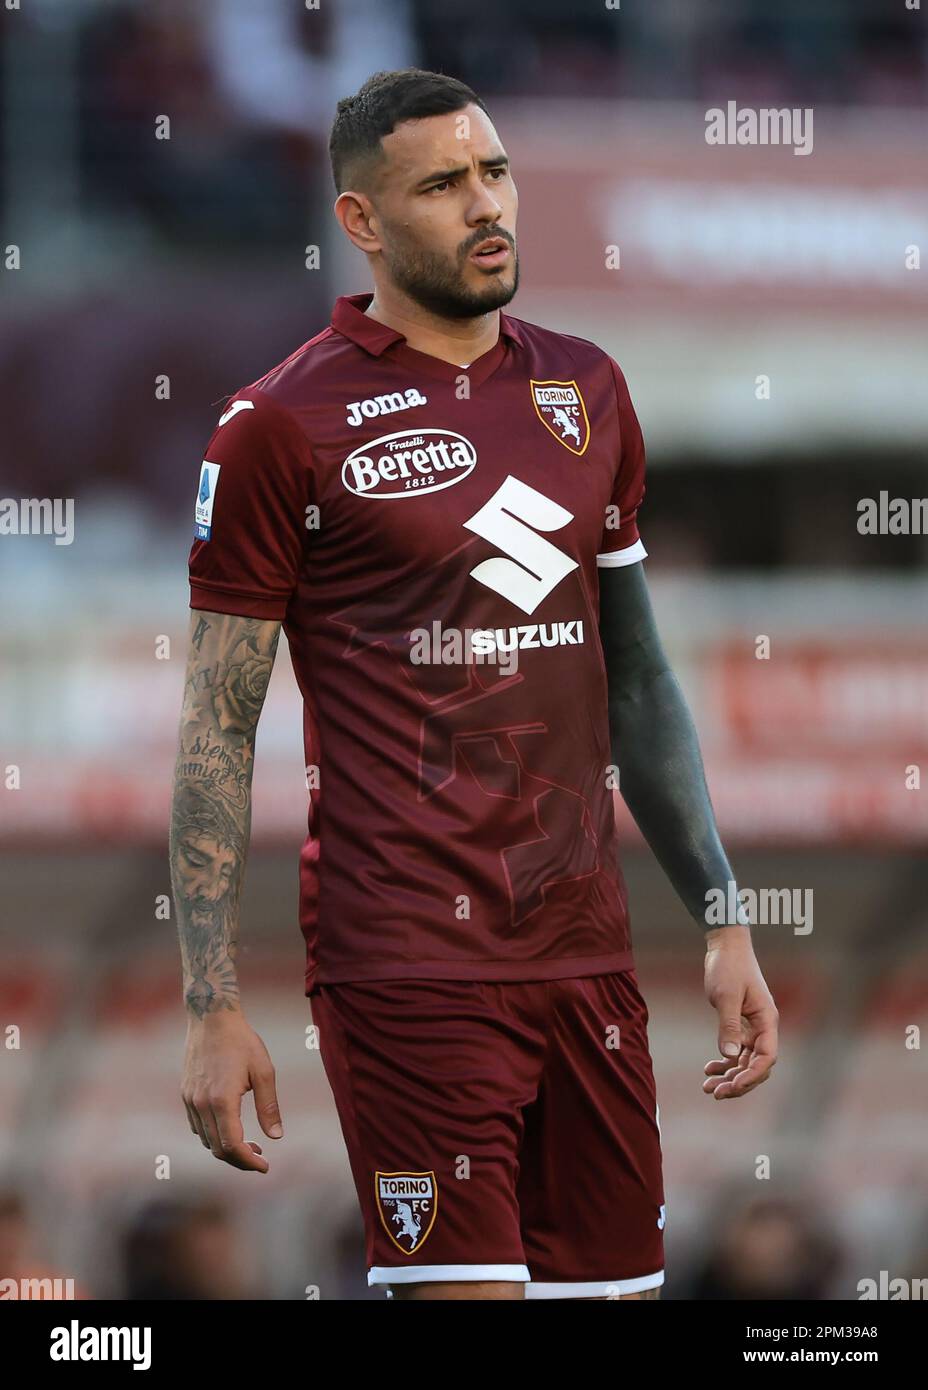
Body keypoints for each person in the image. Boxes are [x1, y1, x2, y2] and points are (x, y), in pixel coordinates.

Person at [170, 67, 778, 1302]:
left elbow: (642, 678)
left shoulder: (587, 389)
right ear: (361, 221)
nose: (483, 204)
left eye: (492, 172)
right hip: (405, 962)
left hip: (584, 957)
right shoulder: (276, 426)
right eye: (440, 185)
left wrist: (721, 913)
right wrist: (212, 1003)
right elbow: (216, 727)